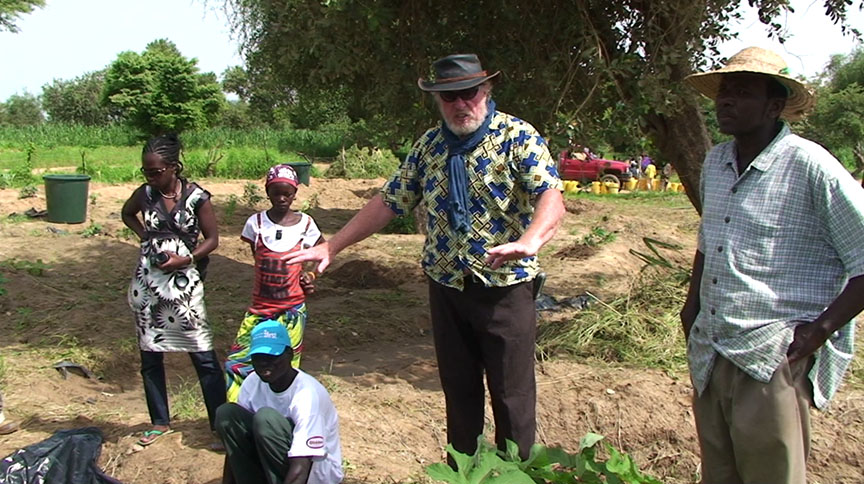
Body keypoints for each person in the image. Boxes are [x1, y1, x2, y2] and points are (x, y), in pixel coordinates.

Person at [284, 53, 565, 461]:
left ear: (485, 91)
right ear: (437, 101)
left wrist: (531, 240)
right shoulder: (430, 146)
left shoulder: (517, 137)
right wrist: (333, 244)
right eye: (448, 97)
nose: (459, 104)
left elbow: (551, 196)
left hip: (505, 287)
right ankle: (462, 471)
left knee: (512, 396)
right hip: (447, 288)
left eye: (467, 93)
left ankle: (516, 473)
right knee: (459, 391)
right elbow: (388, 201)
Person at [680, 46, 864, 484]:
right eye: (724, 92)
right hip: (713, 348)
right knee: (719, 475)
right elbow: (711, 242)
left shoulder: (810, 167)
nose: (725, 101)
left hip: (771, 354)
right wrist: (691, 310)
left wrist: (818, 330)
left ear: (774, 106)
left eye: (741, 92)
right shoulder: (717, 162)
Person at [121, 134, 226, 447]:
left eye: (155, 171)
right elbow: (127, 214)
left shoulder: (198, 198)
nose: (150, 177)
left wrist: (186, 258)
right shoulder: (144, 194)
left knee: (203, 356)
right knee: (150, 355)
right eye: (146, 172)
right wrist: (146, 238)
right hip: (148, 285)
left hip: (184, 287)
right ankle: (159, 422)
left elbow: (213, 240)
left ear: (173, 167)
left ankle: (220, 425)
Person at [225, 164, 324, 403]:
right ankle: (239, 415)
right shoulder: (255, 224)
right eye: (276, 193)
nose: (281, 198)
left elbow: (321, 253)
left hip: (291, 311)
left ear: (295, 193)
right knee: (237, 364)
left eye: (287, 194)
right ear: (267, 192)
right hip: (260, 309)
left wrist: (311, 276)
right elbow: (257, 257)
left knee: (285, 367)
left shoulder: (306, 224)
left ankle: (282, 416)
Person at [216, 320, 343, 484]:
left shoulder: (307, 394)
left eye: (271, 356)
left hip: (314, 475)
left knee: (266, 419)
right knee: (228, 414)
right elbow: (236, 443)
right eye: (258, 357)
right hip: (274, 463)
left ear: (289, 354)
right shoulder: (252, 382)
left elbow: (302, 466)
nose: (264, 363)